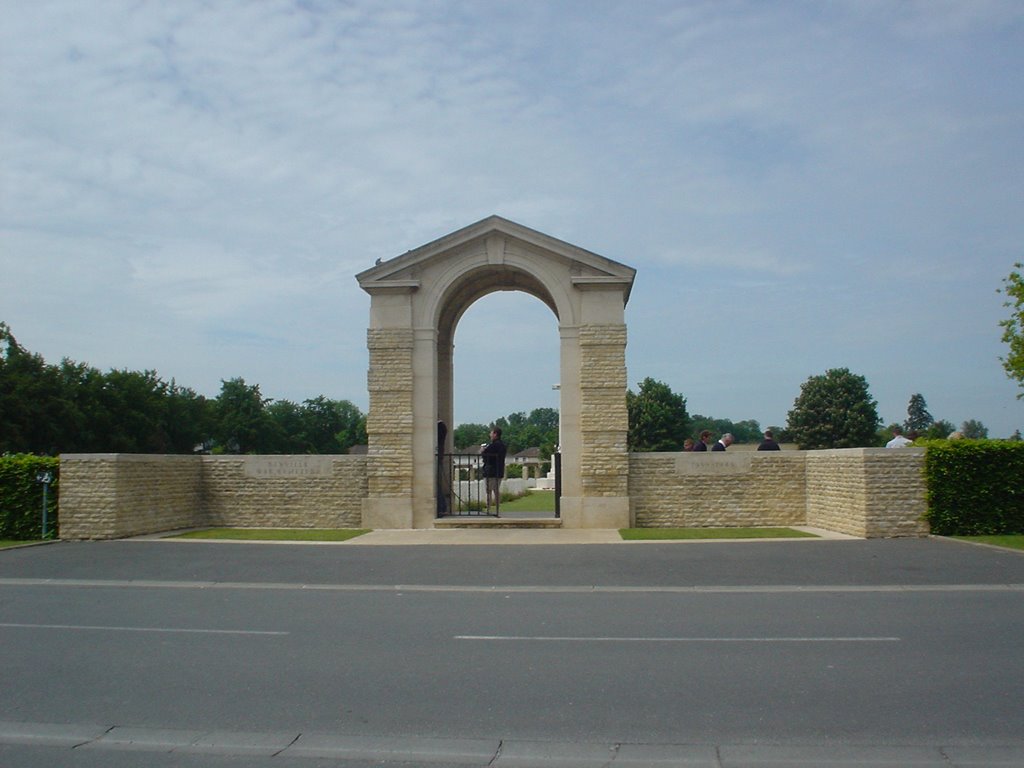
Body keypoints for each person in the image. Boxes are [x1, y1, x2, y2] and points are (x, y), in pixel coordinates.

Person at [480, 427, 507, 514]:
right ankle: (497, 509)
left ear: (495, 434)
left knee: (488, 491)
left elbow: (486, 457)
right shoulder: (503, 445)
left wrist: (482, 451)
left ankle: (488, 509)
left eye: (491, 433)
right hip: (499, 471)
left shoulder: (493, 446)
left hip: (490, 471)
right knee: (496, 491)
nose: (490, 435)